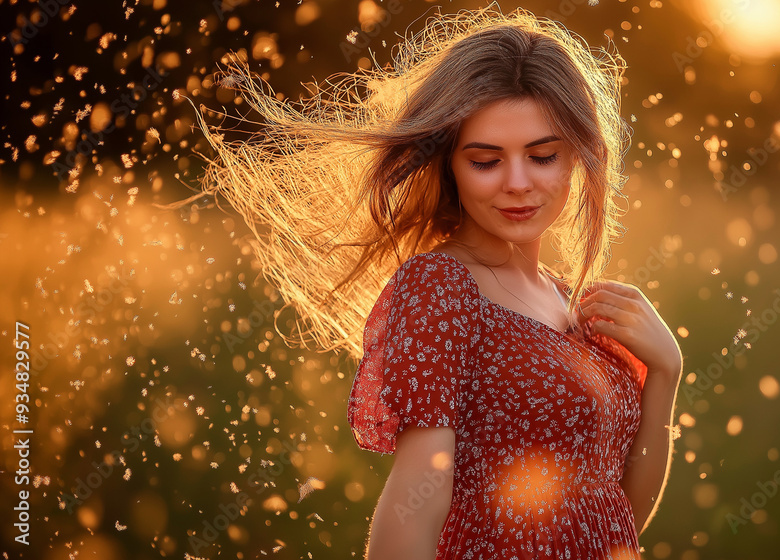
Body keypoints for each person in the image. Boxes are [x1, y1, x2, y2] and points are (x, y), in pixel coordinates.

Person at [173, 4, 683, 559]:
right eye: (486, 161)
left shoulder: (571, 301)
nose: (517, 183)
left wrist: (665, 372)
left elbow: (614, 521)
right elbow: (419, 494)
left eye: (542, 156)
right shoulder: (439, 286)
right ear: (450, 166)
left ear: (578, 157)